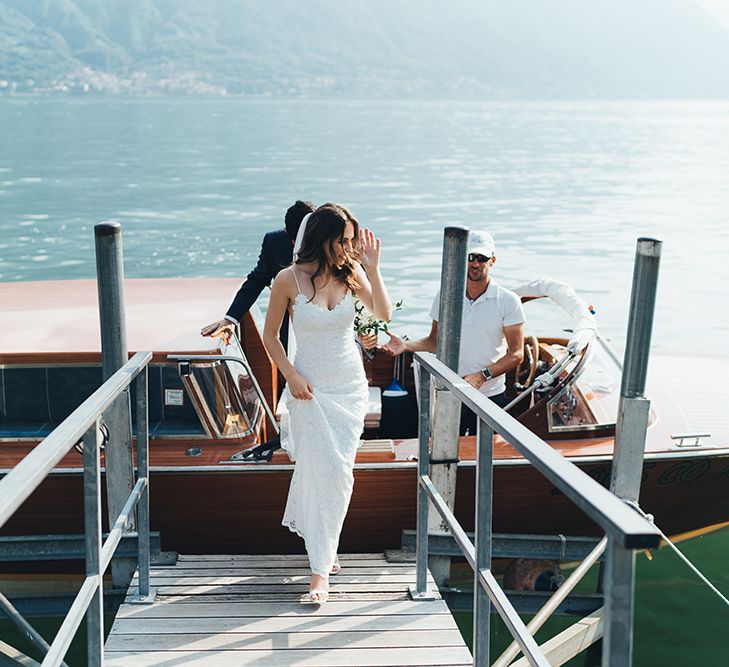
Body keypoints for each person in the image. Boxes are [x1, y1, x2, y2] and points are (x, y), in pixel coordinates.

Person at [262, 203, 391, 604]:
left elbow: (383, 314)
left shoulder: (352, 274)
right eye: (344, 240)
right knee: (323, 472)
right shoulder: (288, 279)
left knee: (339, 474)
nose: (348, 247)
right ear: (323, 238)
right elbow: (270, 337)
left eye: (352, 240)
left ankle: (324, 547)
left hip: (349, 388)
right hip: (309, 389)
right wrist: (291, 376)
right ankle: (320, 573)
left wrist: (372, 267)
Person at [382, 230, 525, 435]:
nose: (475, 263)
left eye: (482, 258)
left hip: (491, 397)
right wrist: (406, 345)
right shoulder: (445, 295)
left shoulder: (508, 301)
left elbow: (516, 354)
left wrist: (482, 376)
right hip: (451, 394)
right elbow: (435, 342)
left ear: (492, 260)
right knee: (446, 459)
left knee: (488, 460)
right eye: (470, 257)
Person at [201, 199, 316, 349]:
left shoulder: (331, 243)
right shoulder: (274, 242)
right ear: (287, 232)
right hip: (289, 331)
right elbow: (256, 281)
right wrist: (230, 318)